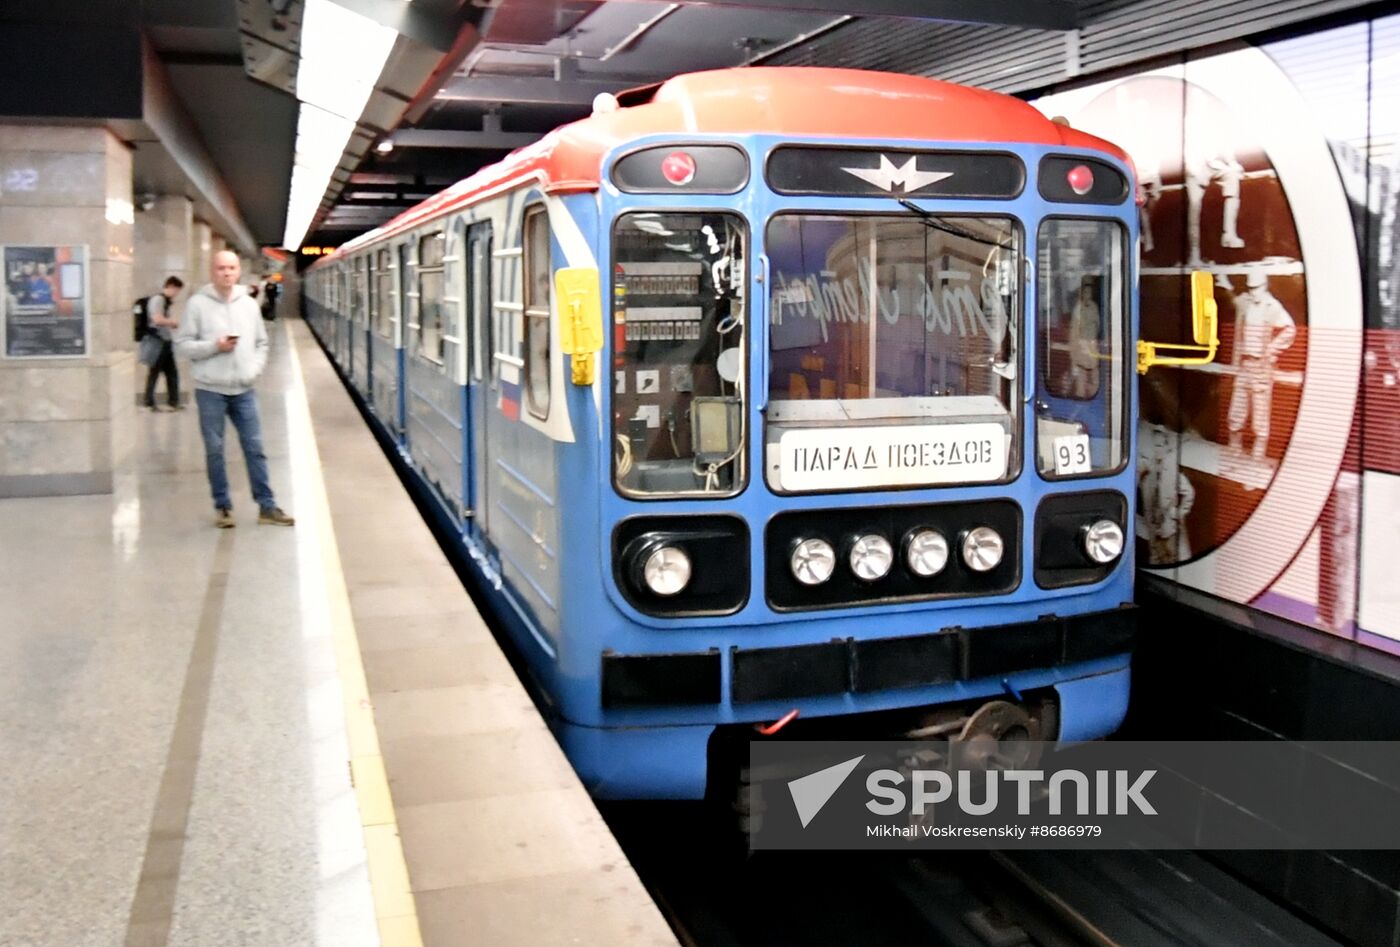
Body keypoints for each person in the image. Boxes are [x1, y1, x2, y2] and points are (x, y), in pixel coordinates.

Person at [175, 251, 294, 528]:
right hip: (210, 390)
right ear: (212, 271)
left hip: (244, 389)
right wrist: (214, 346)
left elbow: (262, 342)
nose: (226, 273)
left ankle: (266, 506)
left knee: (255, 448)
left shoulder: (249, 305)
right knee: (215, 450)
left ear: (238, 271)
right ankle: (223, 506)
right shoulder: (197, 305)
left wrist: (254, 369)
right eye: (220, 268)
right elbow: (182, 346)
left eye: (231, 268)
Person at [1225, 271, 1296, 462]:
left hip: (1261, 366)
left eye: (1255, 288)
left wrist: (1272, 349)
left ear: (1264, 287)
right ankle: (1235, 448)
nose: (1252, 292)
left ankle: (1257, 454)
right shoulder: (1246, 302)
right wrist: (1227, 286)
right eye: (1250, 288)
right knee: (1237, 408)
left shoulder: (1273, 306)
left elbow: (1290, 329)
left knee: (1260, 413)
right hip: (1245, 364)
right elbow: (1235, 302)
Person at [143, 276, 185, 410]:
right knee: (154, 372)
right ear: (171, 287)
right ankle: (149, 401)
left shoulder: (165, 301)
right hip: (158, 341)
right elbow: (157, 319)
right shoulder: (158, 300)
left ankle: (174, 401)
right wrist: (173, 322)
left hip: (165, 341)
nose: (177, 294)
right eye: (177, 290)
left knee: (172, 373)